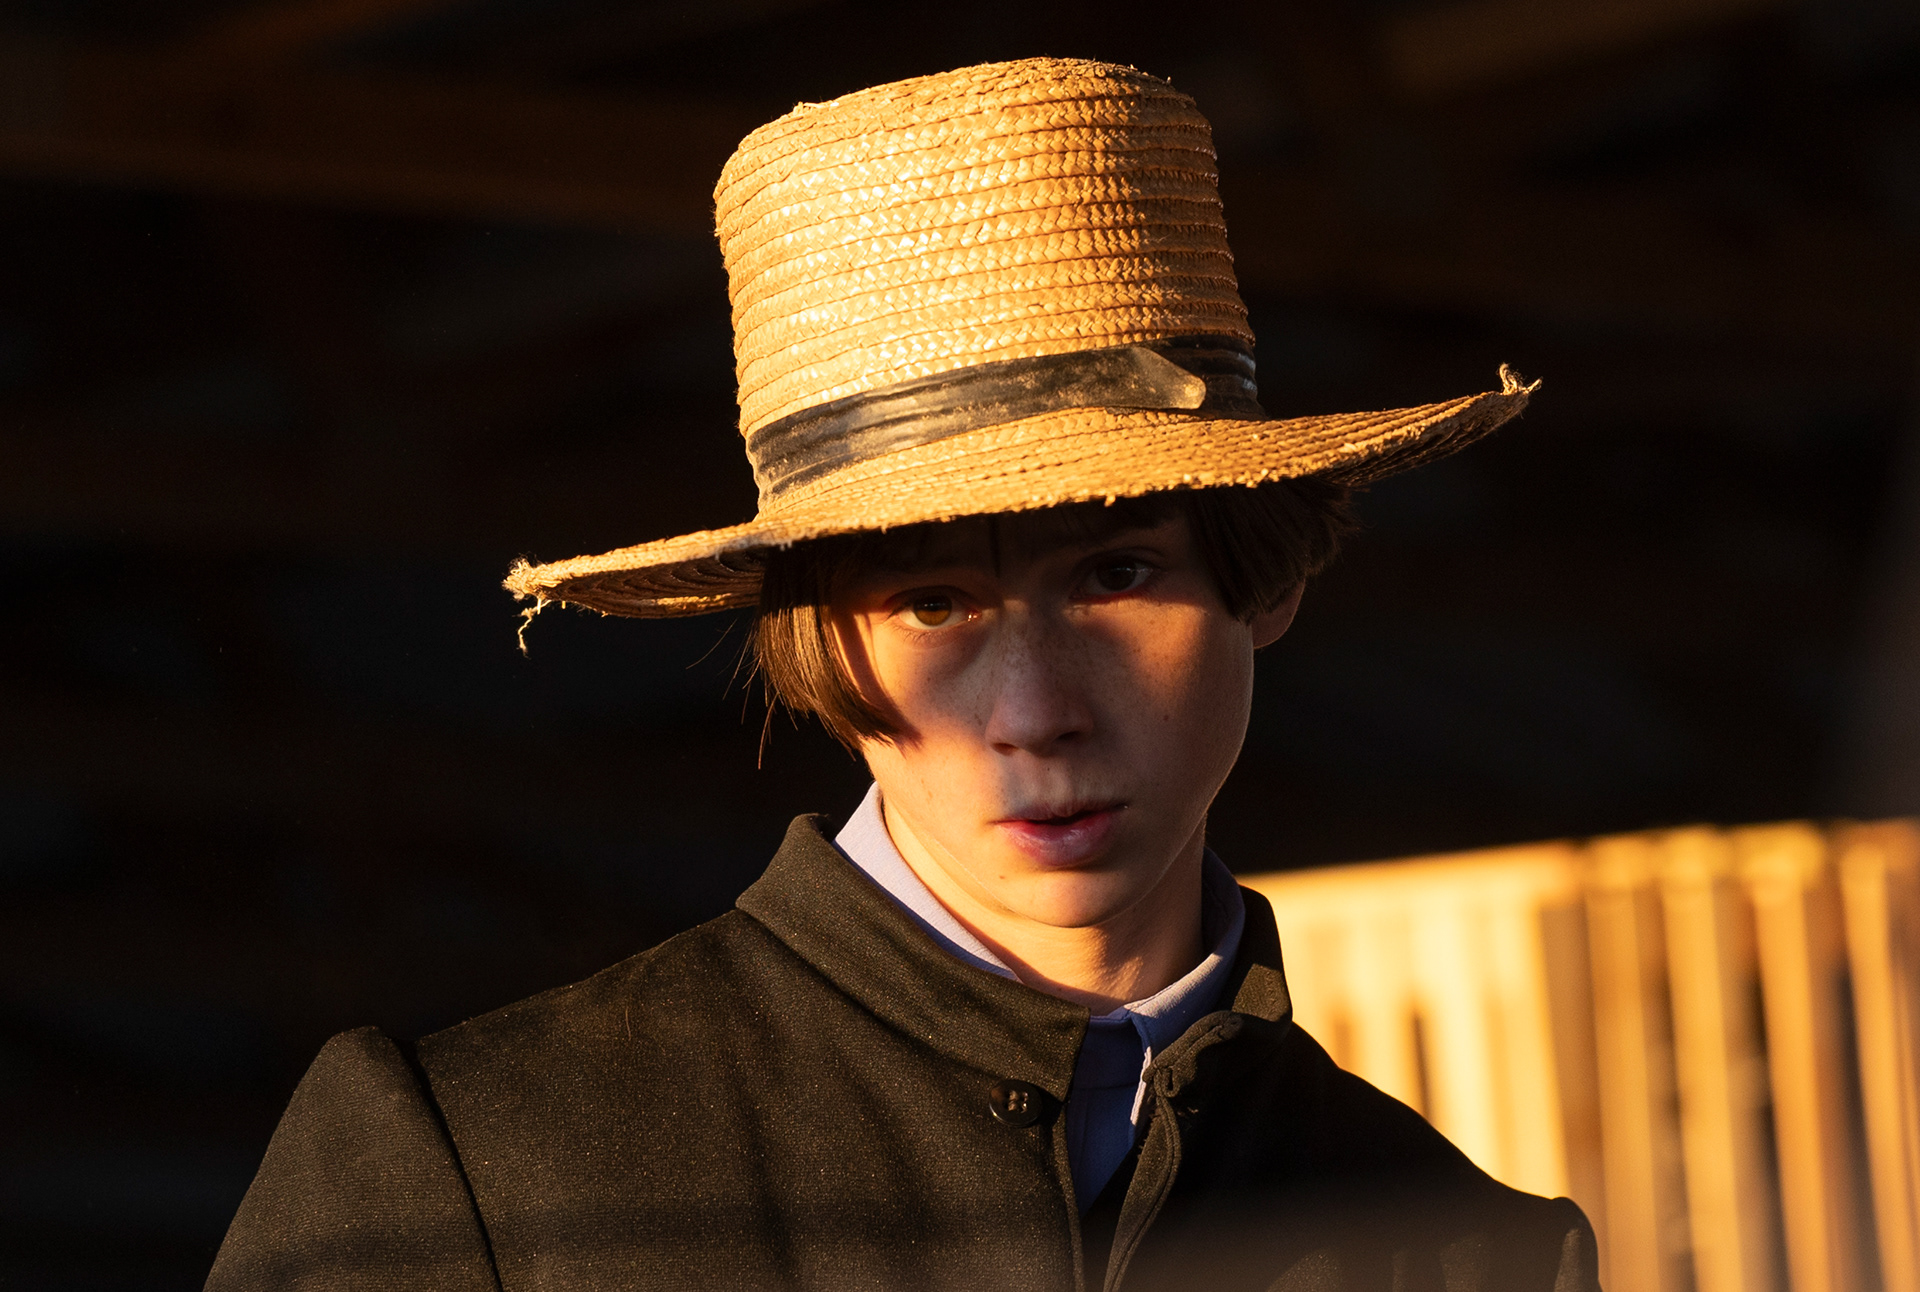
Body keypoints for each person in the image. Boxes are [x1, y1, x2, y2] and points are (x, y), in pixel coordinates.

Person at [207, 57, 1597, 1292]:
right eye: (932, 602)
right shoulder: (479, 1172)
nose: (1034, 714)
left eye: (1115, 576)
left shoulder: (1472, 1256)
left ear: (1269, 575)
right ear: (826, 644)